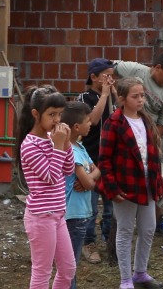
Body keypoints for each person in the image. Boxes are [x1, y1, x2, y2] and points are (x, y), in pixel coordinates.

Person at [98, 77, 163, 289]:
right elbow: (104, 160)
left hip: (146, 184)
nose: (140, 100)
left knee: (148, 229)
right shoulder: (114, 123)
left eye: (142, 95)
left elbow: (152, 156)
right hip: (125, 187)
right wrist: (112, 188)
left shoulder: (146, 121)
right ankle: (125, 279)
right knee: (125, 231)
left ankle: (140, 272)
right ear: (121, 99)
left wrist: (159, 183)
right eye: (135, 96)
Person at [113, 51, 163, 238]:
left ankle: (157, 221)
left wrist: (151, 141)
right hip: (125, 139)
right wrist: (112, 90)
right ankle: (119, 224)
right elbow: (109, 66)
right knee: (127, 179)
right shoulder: (136, 70)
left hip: (149, 141)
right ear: (157, 67)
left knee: (152, 184)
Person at [16, 85, 76, 289]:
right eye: (52, 114)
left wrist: (66, 144)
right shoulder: (30, 145)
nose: (57, 120)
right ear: (35, 114)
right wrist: (59, 146)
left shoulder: (53, 139)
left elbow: (68, 169)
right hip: (41, 217)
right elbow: (50, 176)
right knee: (42, 271)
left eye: (60, 114)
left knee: (68, 268)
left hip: (58, 215)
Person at [76, 56, 116, 263]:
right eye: (105, 77)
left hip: (110, 159)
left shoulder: (113, 98)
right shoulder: (85, 98)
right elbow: (93, 120)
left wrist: (114, 94)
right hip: (90, 159)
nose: (110, 80)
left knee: (110, 205)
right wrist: (105, 96)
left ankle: (110, 240)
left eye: (112, 77)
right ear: (93, 77)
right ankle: (88, 242)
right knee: (90, 206)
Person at [62, 101, 98, 289]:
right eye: (88, 121)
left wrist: (89, 178)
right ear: (77, 127)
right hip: (72, 216)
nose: (91, 124)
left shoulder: (81, 147)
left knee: (72, 265)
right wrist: (89, 179)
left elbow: (97, 171)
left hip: (81, 214)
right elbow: (90, 183)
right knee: (70, 266)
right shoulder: (72, 151)